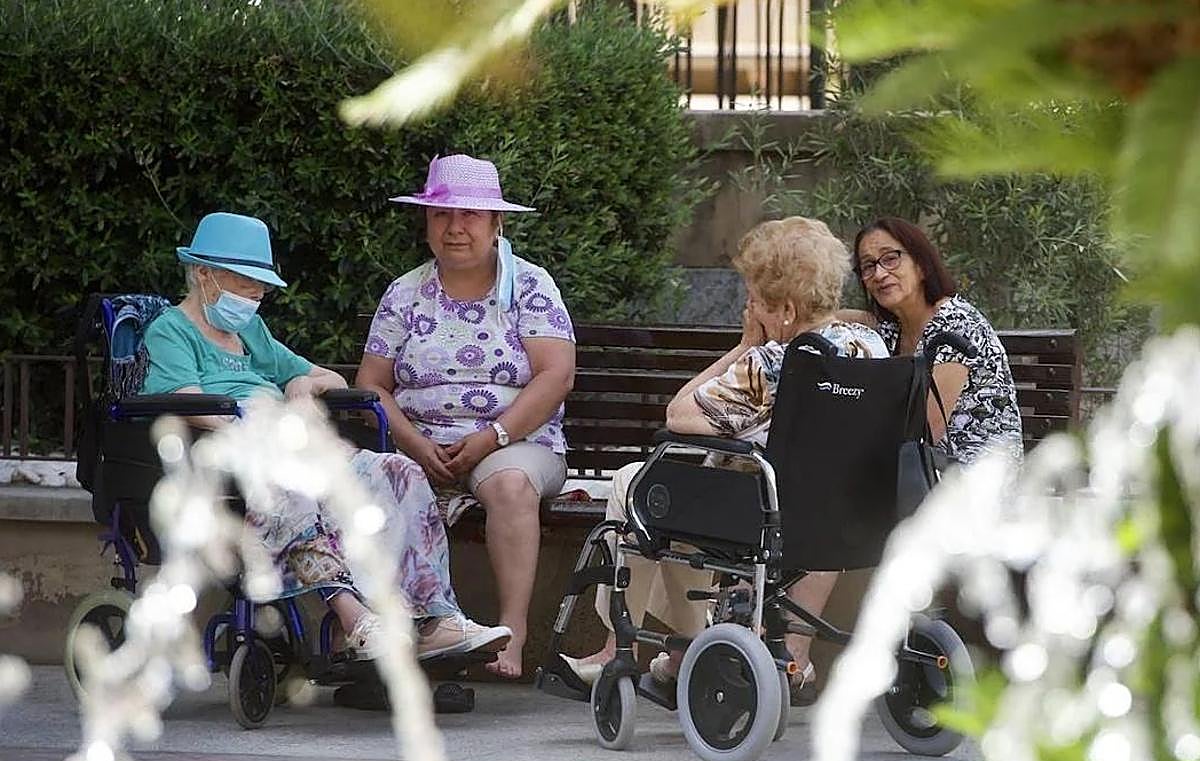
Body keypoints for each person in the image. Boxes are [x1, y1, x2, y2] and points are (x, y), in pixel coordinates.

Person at [140, 211, 511, 662]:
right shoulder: (171, 331)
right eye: (244, 282)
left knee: (399, 471)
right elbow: (185, 403)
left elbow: (332, 379)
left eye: (260, 284)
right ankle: (354, 623)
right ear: (203, 274)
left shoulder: (249, 332)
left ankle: (436, 618)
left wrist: (304, 384)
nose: (257, 294)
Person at [567, 216, 887, 705]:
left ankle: (640, 647)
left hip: (765, 511)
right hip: (843, 511)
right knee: (677, 506)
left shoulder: (774, 362)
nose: (748, 306)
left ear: (784, 309)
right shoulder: (869, 347)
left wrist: (744, 348)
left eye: (754, 297)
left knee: (637, 487)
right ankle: (681, 652)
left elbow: (678, 414)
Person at [356, 155, 576, 679]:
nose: (455, 227)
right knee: (378, 481)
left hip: (517, 442)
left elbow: (556, 375)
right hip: (421, 444)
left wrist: (492, 437)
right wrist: (412, 443)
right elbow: (370, 385)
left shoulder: (529, 285)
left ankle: (512, 637)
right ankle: (411, 633)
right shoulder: (405, 292)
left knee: (509, 486)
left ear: (497, 223)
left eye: (472, 215)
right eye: (441, 215)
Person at [843, 217, 1023, 464]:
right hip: (921, 470)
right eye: (868, 266)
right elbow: (844, 318)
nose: (879, 273)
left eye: (891, 258)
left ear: (921, 264)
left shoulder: (957, 323)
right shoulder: (892, 329)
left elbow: (927, 430)